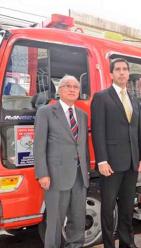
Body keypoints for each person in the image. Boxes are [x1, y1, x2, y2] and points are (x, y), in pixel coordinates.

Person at [91, 58, 141, 248]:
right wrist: (102, 160)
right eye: (118, 69)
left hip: (131, 163)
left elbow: (139, 131)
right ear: (111, 74)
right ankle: (109, 245)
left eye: (125, 69)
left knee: (126, 207)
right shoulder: (101, 97)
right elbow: (98, 131)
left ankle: (127, 243)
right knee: (107, 208)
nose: (122, 72)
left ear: (128, 73)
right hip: (111, 164)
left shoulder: (133, 99)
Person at [34, 75, 89, 248]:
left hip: (79, 177)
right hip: (56, 177)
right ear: (59, 90)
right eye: (67, 86)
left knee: (78, 220)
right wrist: (42, 174)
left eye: (76, 87)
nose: (72, 89)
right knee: (55, 223)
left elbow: (82, 146)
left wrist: (86, 170)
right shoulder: (46, 112)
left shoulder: (82, 114)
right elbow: (39, 145)